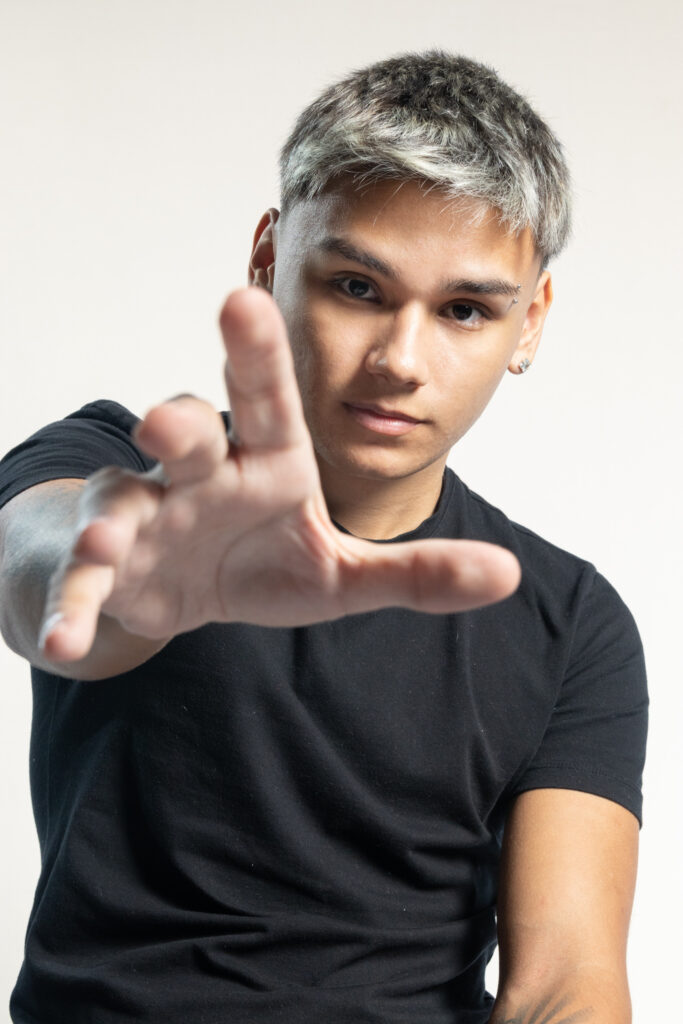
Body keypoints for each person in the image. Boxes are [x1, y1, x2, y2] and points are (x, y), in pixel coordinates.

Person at [0, 51, 647, 1024]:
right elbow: (38, 565)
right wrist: (128, 575)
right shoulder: (111, 464)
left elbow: (564, 983)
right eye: (356, 286)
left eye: (464, 310)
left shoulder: (567, 621)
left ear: (529, 324)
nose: (398, 361)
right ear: (267, 259)